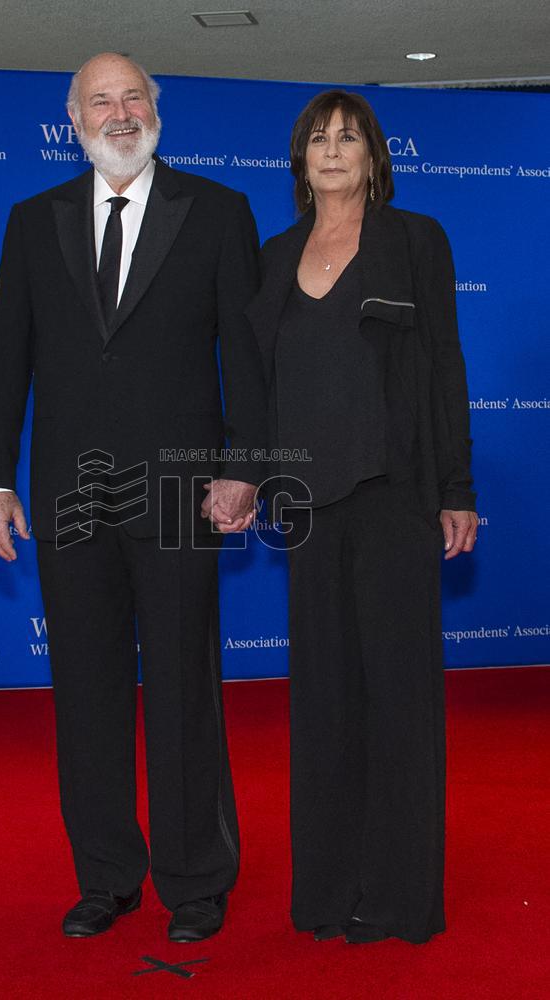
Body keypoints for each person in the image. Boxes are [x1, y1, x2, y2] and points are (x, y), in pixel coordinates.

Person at [0, 53, 266, 943]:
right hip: (68, 496)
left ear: (157, 111)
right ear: (74, 120)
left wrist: (246, 467)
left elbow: (247, 360)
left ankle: (195, 880)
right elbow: (4, 361)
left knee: (184, 688)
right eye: (100, 99)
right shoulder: (34, 221)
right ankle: (105, 875)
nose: (119, 111)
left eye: (133, 95)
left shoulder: (218, 213)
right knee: (86, 693)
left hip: (183, 489)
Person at [245, 89, 478, 944]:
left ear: (375, 158)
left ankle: (399, 895)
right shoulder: (272, 260)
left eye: (349, 137)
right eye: (318, 138)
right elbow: (258, 388)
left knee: (399, 703)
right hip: (307, 509)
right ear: (300, 160)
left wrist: (457, 486)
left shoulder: (417, 242)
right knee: (326, 704)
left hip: (396, 499)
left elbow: (444, 366)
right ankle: (330, 890)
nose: (333, 149)